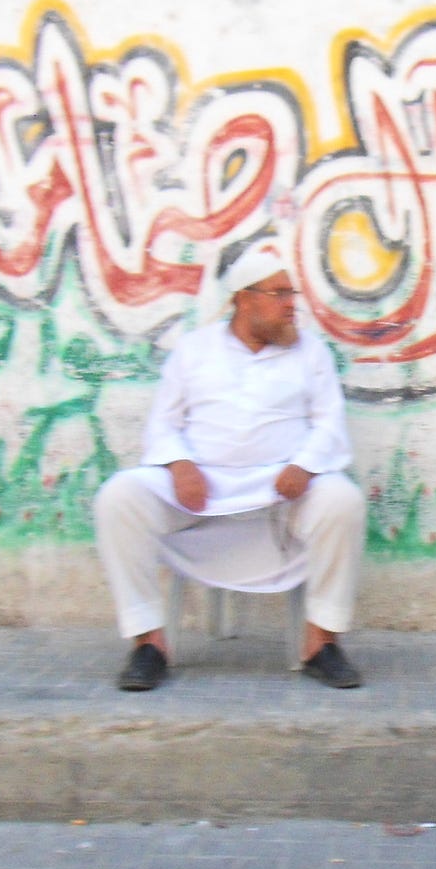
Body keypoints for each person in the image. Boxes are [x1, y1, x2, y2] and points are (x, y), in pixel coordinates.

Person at [94, 238, 367, 691]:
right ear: (244, 300)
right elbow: (163, 424)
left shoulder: (311, 354)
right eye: (278, 294)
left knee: (343, 501)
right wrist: (180, 465)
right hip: (203, 493)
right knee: (119, 497)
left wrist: (304, 465)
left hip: (281, 494)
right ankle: (148, 644)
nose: (289, 306)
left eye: (291, 295)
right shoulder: (194, 350)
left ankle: (321, 643)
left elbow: (330, 425)